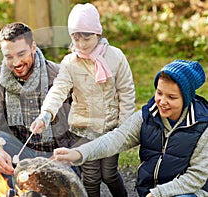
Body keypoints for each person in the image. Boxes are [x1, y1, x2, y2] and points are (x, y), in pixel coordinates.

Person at [53, 60, 208, 197]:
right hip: (150, 191)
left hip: (187, 192)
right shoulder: (146, 117)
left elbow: (196, 177)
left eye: (172, 97)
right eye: (159, 93)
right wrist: (78, 153)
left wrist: (158, 193)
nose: (162, 101)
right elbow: (115, 139)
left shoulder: (202, 127)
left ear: (186, 99)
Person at [30, 3, 135, 197]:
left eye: (86, 38)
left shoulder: (116, 57)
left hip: (111, 127)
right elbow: (58, 90)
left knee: (109, 174)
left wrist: (124, 127)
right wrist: (46, 114)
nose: (81, 44)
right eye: (76, 39)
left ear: (97, 33)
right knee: (91, 176)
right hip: (83, 128)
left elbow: (126, 92)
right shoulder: (70, 62)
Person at [0, 22, 72, 175]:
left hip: (56, 153)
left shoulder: (58, 74)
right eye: (9, 57)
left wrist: (72, 152)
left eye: (21, 54)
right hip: (19, 151)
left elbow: (79, 119)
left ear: (33, 48)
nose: (16, 63)